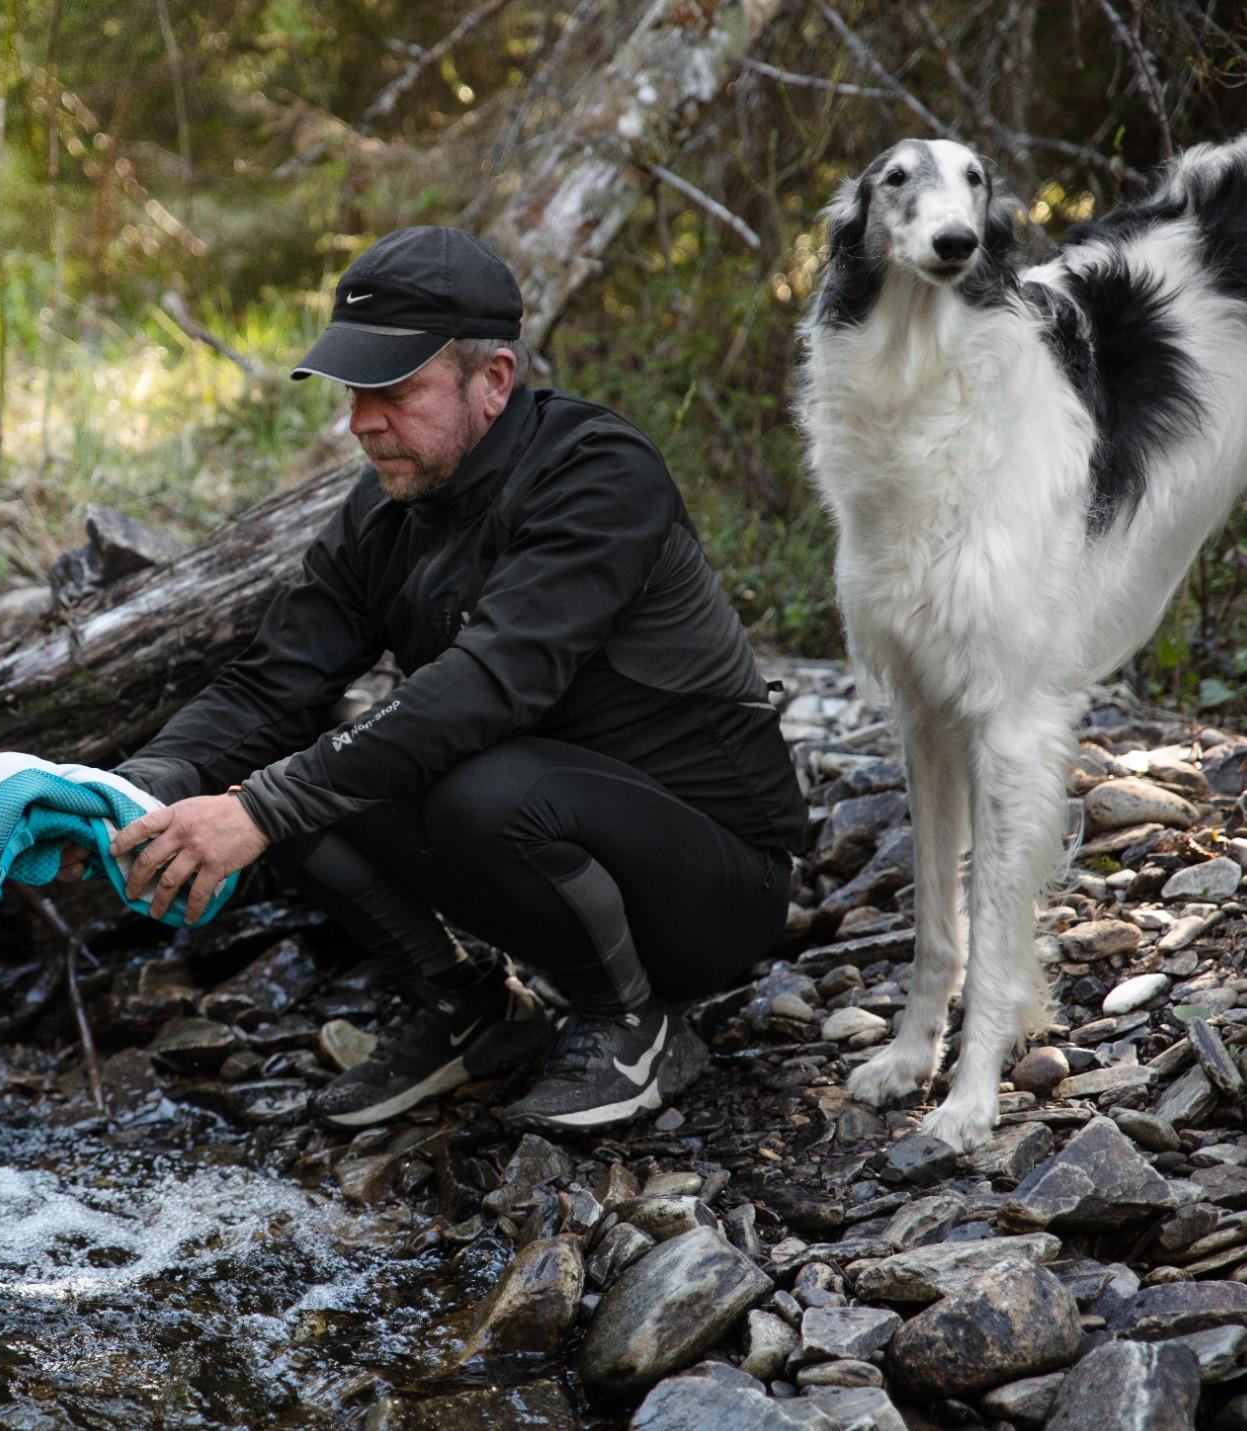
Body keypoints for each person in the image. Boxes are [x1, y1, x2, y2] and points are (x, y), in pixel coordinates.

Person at [80, 225, 807, 1134]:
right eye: (353, 391)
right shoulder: (387, 511)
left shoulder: (597, 474)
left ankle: (631, 1024)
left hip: (714, 890)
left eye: (393, 391)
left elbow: (491, 683)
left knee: (451, 789)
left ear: (493, 379)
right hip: (546, 847)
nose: (361, 421)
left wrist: (259, 810)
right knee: (284, 762)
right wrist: (128, 789)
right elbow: (268, 684)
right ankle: (470, 1008)